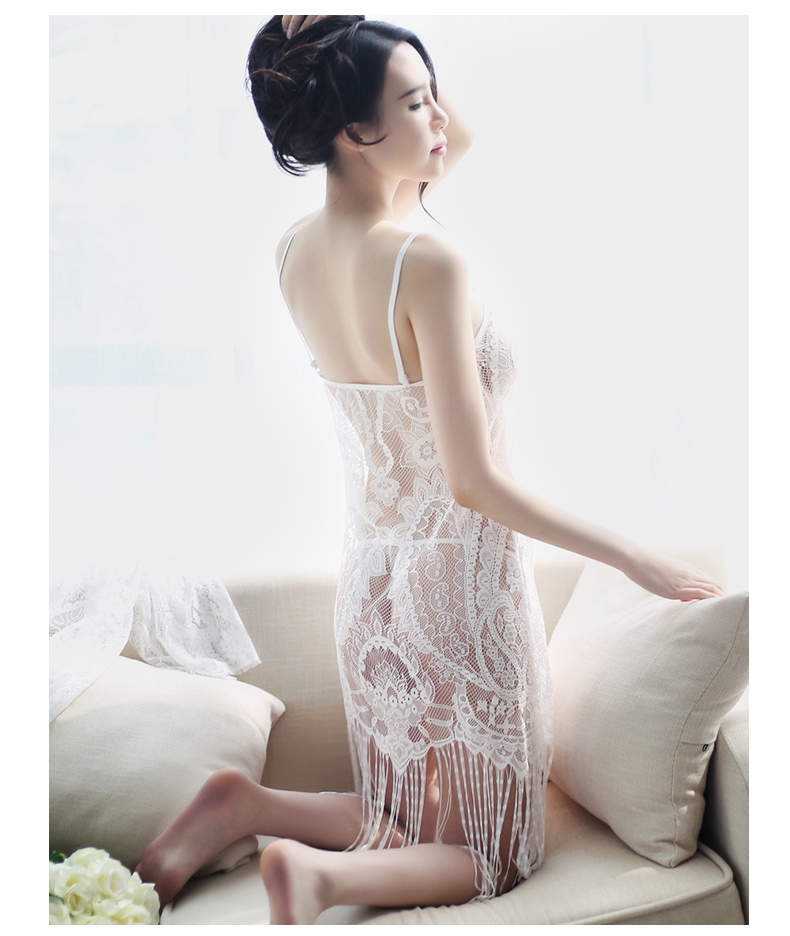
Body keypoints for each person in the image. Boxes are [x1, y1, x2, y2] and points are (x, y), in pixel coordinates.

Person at [137, 14, 725, 924]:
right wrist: (631, 555)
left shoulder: (296, 250)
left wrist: (365, 54)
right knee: (495, 853)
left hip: (374, 585)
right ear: (352, 128)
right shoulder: (428, 262)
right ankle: (321, 879)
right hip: (459, 592)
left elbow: (453, 137)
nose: (442, 117)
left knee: (410, 820)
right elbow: (472, 481)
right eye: (416, 102)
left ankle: (247, 807)